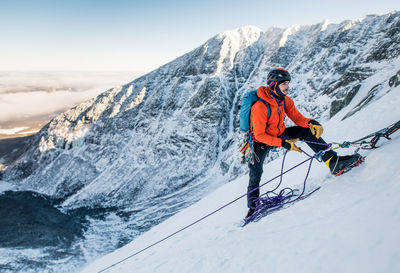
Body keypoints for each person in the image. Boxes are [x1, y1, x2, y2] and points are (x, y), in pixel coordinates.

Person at [246, 68, 361, 218]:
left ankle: (333, 162)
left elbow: (298, 119)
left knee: (306, 131)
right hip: (259, 141)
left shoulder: (285, 101)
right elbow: (260, 135)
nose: (288, 87)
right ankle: (253, 208)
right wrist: (284, 143)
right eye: (284, 84)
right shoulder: (260, 106)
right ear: (274, 85)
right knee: (256, 171)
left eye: (288, 83)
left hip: (278, 134)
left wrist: (313, 123)